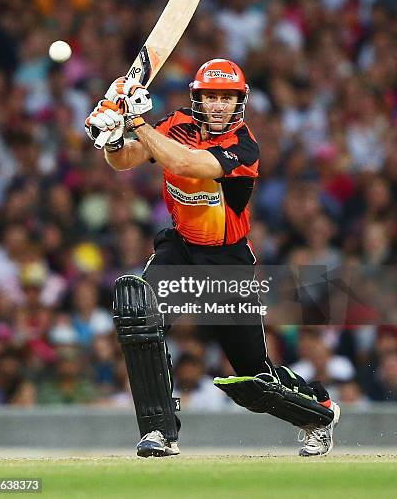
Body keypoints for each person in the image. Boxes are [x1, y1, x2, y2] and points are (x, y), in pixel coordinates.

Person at [85, 58, 340, 457]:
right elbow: (126, 161)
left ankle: (318, 412)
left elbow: (186, 163)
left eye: (227, 97)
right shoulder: (175, 123)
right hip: (180, 246)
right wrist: (112, 136)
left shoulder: (244, 146)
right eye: (211, 96)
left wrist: (134, 121)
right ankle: (160, 432)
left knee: (254, 376)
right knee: (140, 314)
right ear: (197, 98)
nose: (219, 105)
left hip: (226, 261)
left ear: (239, 102)